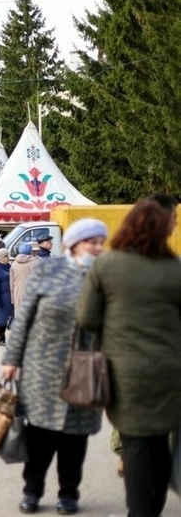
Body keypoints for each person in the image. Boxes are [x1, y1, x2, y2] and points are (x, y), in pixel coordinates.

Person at [76, 195, 181, 517]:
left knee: (135, 443)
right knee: (161, 439)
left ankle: (141, 512)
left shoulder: (107, 264)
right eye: (173, 219)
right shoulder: (174, 268)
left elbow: (86, 319)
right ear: (162, 227)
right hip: (171, 372)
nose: (176, 222)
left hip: (124, 372)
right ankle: (155, 506)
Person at [2, 218, 108, 514]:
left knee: (75, 439)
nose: (99, 248)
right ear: (74, 244)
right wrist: (11, 359)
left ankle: (69, 494)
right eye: (93, 242)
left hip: (85, 367)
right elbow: (23, 318)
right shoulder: (47, 269)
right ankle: (32, 491)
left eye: (102, 243)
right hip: (42, 368)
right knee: (39, 437)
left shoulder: (103, 276)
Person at [10, 243, 36, 315]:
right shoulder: (36, 263)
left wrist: (12, 299)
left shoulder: (14, 264)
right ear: (31, 251)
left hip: (18, 295)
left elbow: (11, 284)